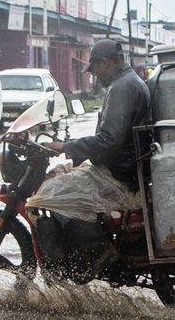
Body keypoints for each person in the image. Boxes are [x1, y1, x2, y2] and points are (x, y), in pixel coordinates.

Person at [35, 38, 151, 278]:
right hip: (124, 168)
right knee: (63, 183)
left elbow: (108, 140)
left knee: (50, 194)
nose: (95, 75)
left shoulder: (122, 87)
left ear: (105, 63)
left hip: (118, 175)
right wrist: (73, 148)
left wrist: (66, 146)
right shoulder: (129, 82)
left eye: (95, 69)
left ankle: (98, 251)